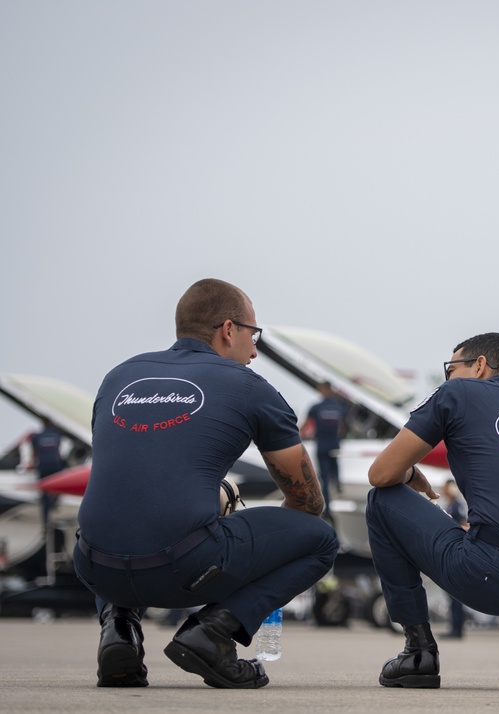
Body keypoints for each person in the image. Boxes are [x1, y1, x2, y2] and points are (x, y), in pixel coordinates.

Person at [74, 278, 339, 690]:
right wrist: (246, 545)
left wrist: (209, 500)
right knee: (320, 539)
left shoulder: (118, 377)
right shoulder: (250, 387)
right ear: (229, 329)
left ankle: (119, 631)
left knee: (123, 516)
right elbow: (307, 502)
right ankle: (213, 632)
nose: (255, 350)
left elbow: (134, 480)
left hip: (94, 567)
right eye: (254, 335)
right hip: (183, 569)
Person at [365, 332, 499, 691]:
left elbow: (381, 473)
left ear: (480, 365)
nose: (448, 377)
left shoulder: (457, 393)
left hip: (491, 576)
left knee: (381, 499)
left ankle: (417, 651)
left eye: (451, 368)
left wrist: (410, 473)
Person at [302, 381, 348, 497]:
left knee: (324, 477)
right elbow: (342, 427)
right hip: (334, 444)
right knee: (335, 463)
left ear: (322, 390)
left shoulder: (316, 407)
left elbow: (305, 426)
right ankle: (337, 482)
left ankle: (327, 507)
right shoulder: (339, 407)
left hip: (322, 445)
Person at [439, 479, 468, 639]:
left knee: (455, 595)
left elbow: (464, 525)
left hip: (456, 552)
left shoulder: (456, 505)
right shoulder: (450, 505)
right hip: (449, 551)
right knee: (451, 595)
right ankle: (454, 627)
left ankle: (457, 629)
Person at [30, 418, 64, 528]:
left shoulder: (36, 437)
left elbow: (34, 453)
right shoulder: (57, 435)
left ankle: (45, 522)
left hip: (43, 466)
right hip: (55, 466)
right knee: (60, 488)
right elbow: (58, 452)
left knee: (44, 495)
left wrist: (34, 465)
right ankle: (53, 502)